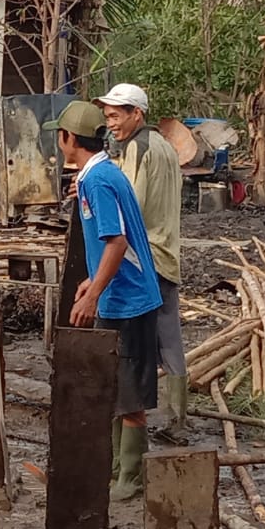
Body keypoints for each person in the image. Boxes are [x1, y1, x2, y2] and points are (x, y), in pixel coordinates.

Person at [47, 101, 162, 501]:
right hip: (119, 292)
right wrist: (90, 280)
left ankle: (131, 478)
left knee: (130, 394)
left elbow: (117, 240)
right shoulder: (100, 173)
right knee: (115, 387)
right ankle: (116, 468)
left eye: (58, 137)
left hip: (126, 299)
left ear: (67, 139)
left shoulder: (96, 182)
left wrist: (93, 293)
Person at [95, 83, 187, 442]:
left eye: (116, 116)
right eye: (107, 117)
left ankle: (136, 419)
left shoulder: (137, 149)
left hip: (145, 257)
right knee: (171, 337)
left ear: (137, 113)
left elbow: (127, 205)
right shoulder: (165, 146)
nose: (111, 124)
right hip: (168, 251)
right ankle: (178, 416)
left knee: (137, 348)